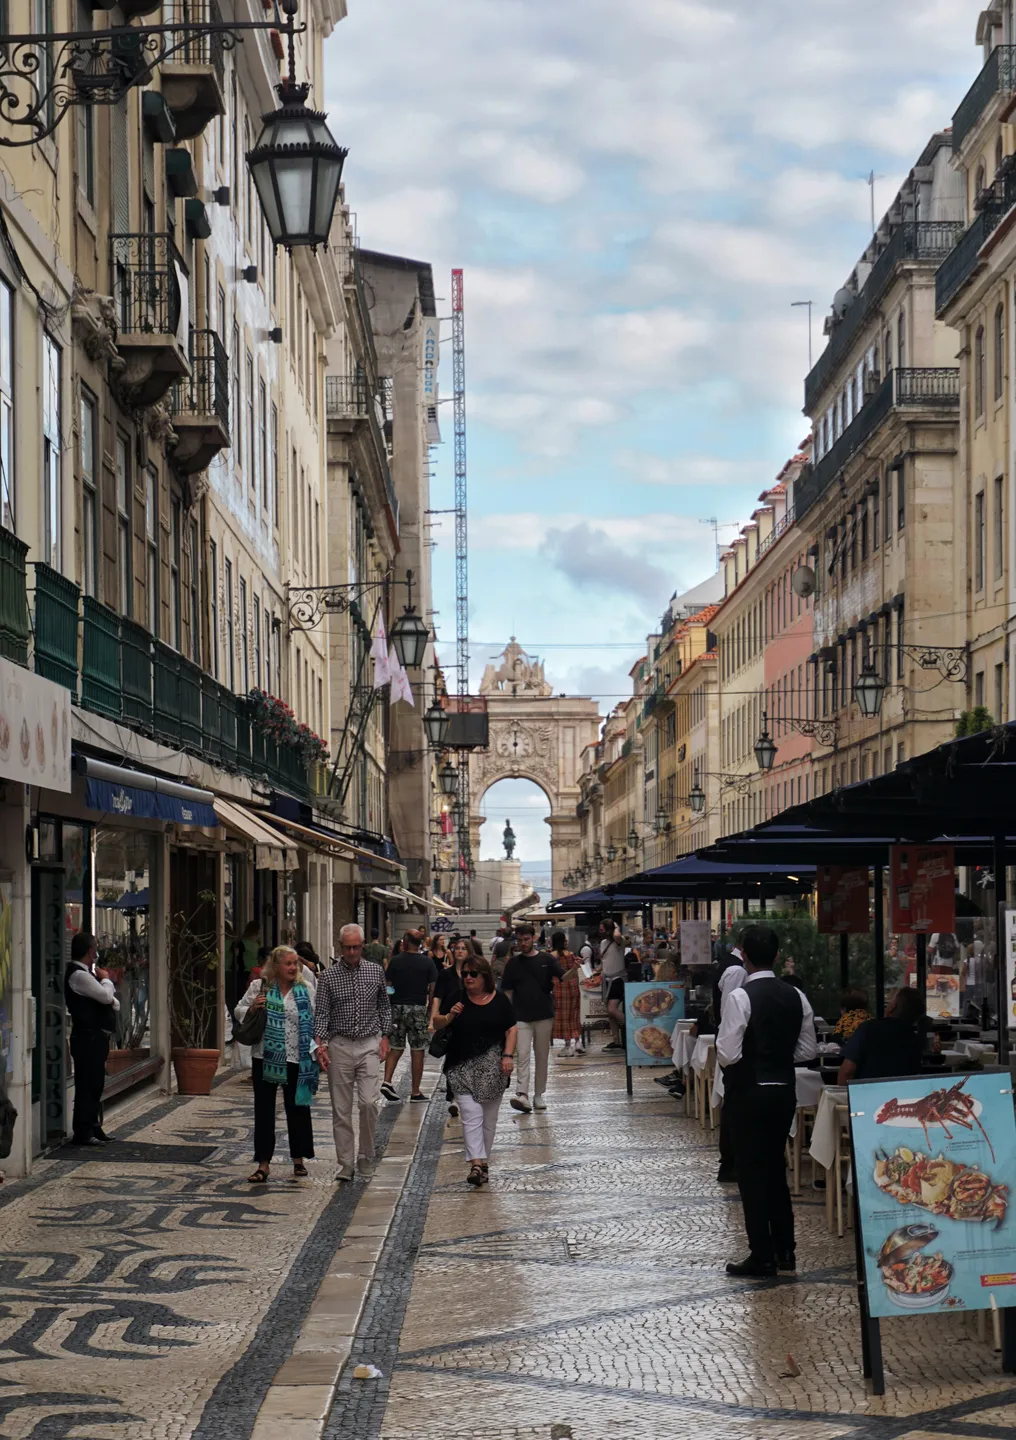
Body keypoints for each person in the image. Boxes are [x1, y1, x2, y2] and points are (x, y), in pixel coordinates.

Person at [716, 924, 818, 1278]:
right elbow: (808, 1050)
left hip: (747, 1092)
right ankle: (786, 1249)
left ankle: (762, 1253)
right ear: (776, 955)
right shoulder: (797, 996)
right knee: (776, 1167)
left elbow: (727, 1053)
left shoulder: (740, 997)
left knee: (751, 1173)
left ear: (743, 954)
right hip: (783, 1090)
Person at [313, 923, 391, 1182]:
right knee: (341, 1108)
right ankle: (345, 1162)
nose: (352, 952)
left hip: (369, 1043)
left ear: (363, 946)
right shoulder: (327, 977)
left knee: (368, 1102)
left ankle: (366, 1154)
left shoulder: (375, 971)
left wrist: (385, 1037)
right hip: (340, 1045)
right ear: (340, 947)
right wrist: (321, 1045)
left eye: (356, 947)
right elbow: (321, 1013)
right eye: (347, 948)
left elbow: (384, 1006)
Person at [235, 946, 318, 1183]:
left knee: (298, 1108)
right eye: (288, 963)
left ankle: (298, 1159)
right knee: (264, 1111)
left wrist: (318, 1048)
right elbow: (238, 1010)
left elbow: (316, 1019)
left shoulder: (306, 989)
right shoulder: (259, 986)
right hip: (265, 1057)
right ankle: (263, 1164)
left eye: (295, 963)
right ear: (276, 966)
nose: (293, 968)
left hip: (296, 1057)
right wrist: (252, 1007)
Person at [433, 955, 517, 1186]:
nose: (468, 978)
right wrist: (450, 1016)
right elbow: (436, 1023)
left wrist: (508, 1056)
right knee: (471, 1116)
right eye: (465, 974)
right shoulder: (457, 997)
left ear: (484, 976)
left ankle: (483, 1162)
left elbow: (511, 1029)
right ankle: (476, 1165)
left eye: (473, 974)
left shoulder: (500, 1000)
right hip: (460, 1067)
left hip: (493, 1069)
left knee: (488, 1120)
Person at [502, 925, 563, 1113]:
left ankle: (538, 1094)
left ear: (533, 938)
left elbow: (563, 976)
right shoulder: (513, 963)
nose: (523, 943)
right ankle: (522, 1094)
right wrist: (506, 1016)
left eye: (526, 939)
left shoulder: (547, 959)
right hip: (520, 1016)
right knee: (522, 1054)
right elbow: (507, 992)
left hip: (544, 1014)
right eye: (520, 940)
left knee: (542, 1055)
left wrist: (575, 968)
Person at [66, 932, 119, 1146]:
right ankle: (83, 1131)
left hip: (95, 1038)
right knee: (87, 1084)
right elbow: (106, 997)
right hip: (87, 1038)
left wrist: (108, 995)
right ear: (90, 951)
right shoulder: (80, 975)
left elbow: (113, 1003)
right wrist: (106, 979)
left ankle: (93, 1126)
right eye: (96, 947)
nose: (98, 951)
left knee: (95, 1083)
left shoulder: (86, 974)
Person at [381, 929, 438, 1103]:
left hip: (397, 1007)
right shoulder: (427, 962)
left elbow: (388, 985)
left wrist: (391, 1003)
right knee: (418, 1050)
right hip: (418, 1008)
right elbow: (433, 988)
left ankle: (387, 1081)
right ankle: (415, 1091)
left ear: (405, 941)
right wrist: (429, 1007)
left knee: (395, 1046)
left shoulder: (396, 961)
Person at [837, 987, 925, 1083]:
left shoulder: (868, 1029)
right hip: (901, 1091)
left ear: (892, 1007)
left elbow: (847, 1072)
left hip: (867, 1091)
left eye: (889, 1002)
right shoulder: (915, 1041)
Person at [431, 936, 471, 1118]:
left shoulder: (473, 973)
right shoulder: (446, 975)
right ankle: (454, 1097)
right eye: (457, 948)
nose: (460, 951)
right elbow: (437, 997)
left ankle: (466, 1095)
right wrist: (433, 1019)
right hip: (450, 1020)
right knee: (453, 1059)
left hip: (470, 1021)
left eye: (463, 948)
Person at [550, 930, 582, 1056]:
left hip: (559, 988)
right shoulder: (571, 954)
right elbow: (575, 972)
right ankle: (578, 1042)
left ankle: (568, 1046)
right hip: (573, 987)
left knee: (563, 1018)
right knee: (574, 1015)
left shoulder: (552, 956)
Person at [599, 919, 625, 1048]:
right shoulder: (603, 943)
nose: (601, 931)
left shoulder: (619, 941)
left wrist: (616, 925)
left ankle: (631, 1026)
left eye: (603, 929)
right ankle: (616, 1040)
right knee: (610, 1013)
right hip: (606, 980)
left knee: (612, 1009)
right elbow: (605, 960)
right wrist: (599, 970)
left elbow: (617, 935)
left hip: (617, 979)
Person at [231, 920, 260, 1009]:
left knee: (243, 994)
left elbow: (239, 958)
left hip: (245, 971)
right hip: (253, 971)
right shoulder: (256, 943)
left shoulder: (242, 943)